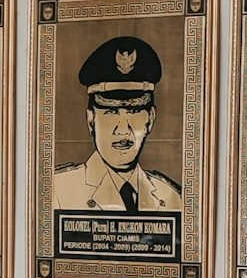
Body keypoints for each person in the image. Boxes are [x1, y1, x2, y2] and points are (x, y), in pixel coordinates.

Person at [51, 37, 181, 212]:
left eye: (134, 112)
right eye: (110, 112)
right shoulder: (56, 191)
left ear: (150, 118)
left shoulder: (172, 197)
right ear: (91, 120)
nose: (122, 130)